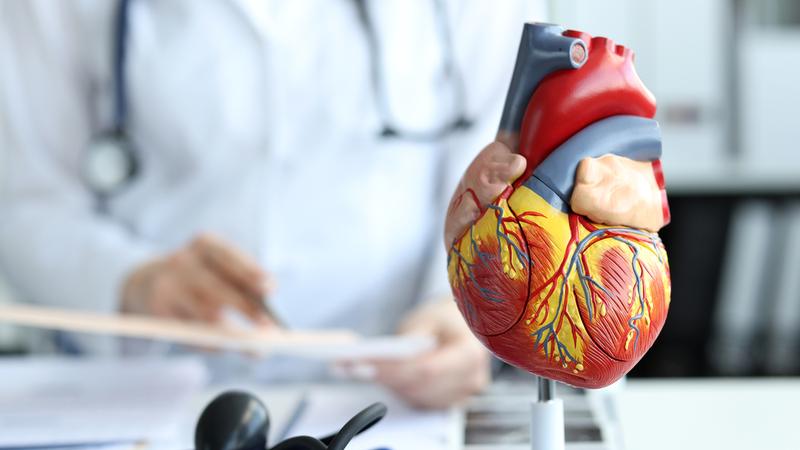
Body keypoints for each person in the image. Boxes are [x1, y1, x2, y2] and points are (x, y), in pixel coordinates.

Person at [0, 0, 543, 408]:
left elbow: (509, 168)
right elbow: (22, 196)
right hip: (142, 388)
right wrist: (130, 280)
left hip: (395, 392)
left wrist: (457, 308)